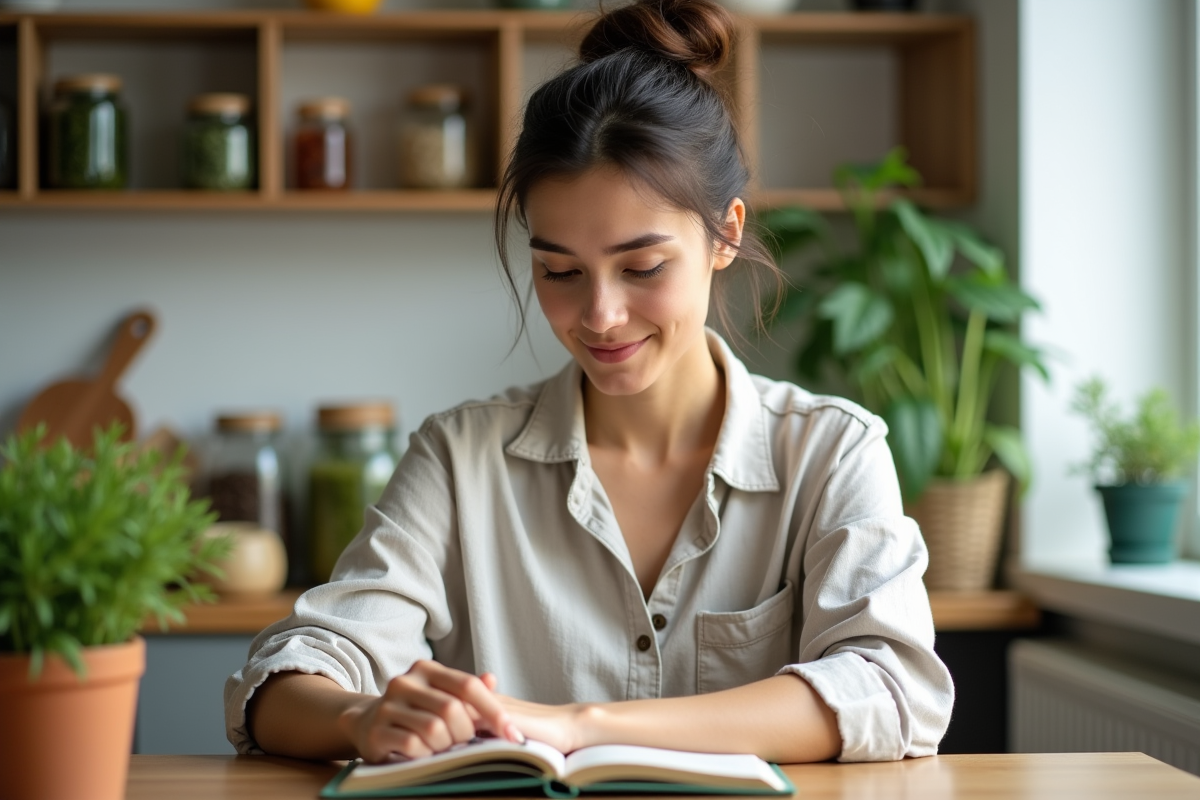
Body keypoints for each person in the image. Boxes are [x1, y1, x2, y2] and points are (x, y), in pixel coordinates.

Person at [225, 0, 953, 765]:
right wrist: (357, 719)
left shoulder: (831, 452)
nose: (600, 316)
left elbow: (891, 689)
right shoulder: (461, 456)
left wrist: (582, 726)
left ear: (726, 233)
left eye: (643, 267)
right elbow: (280, 680)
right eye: (559, 271)